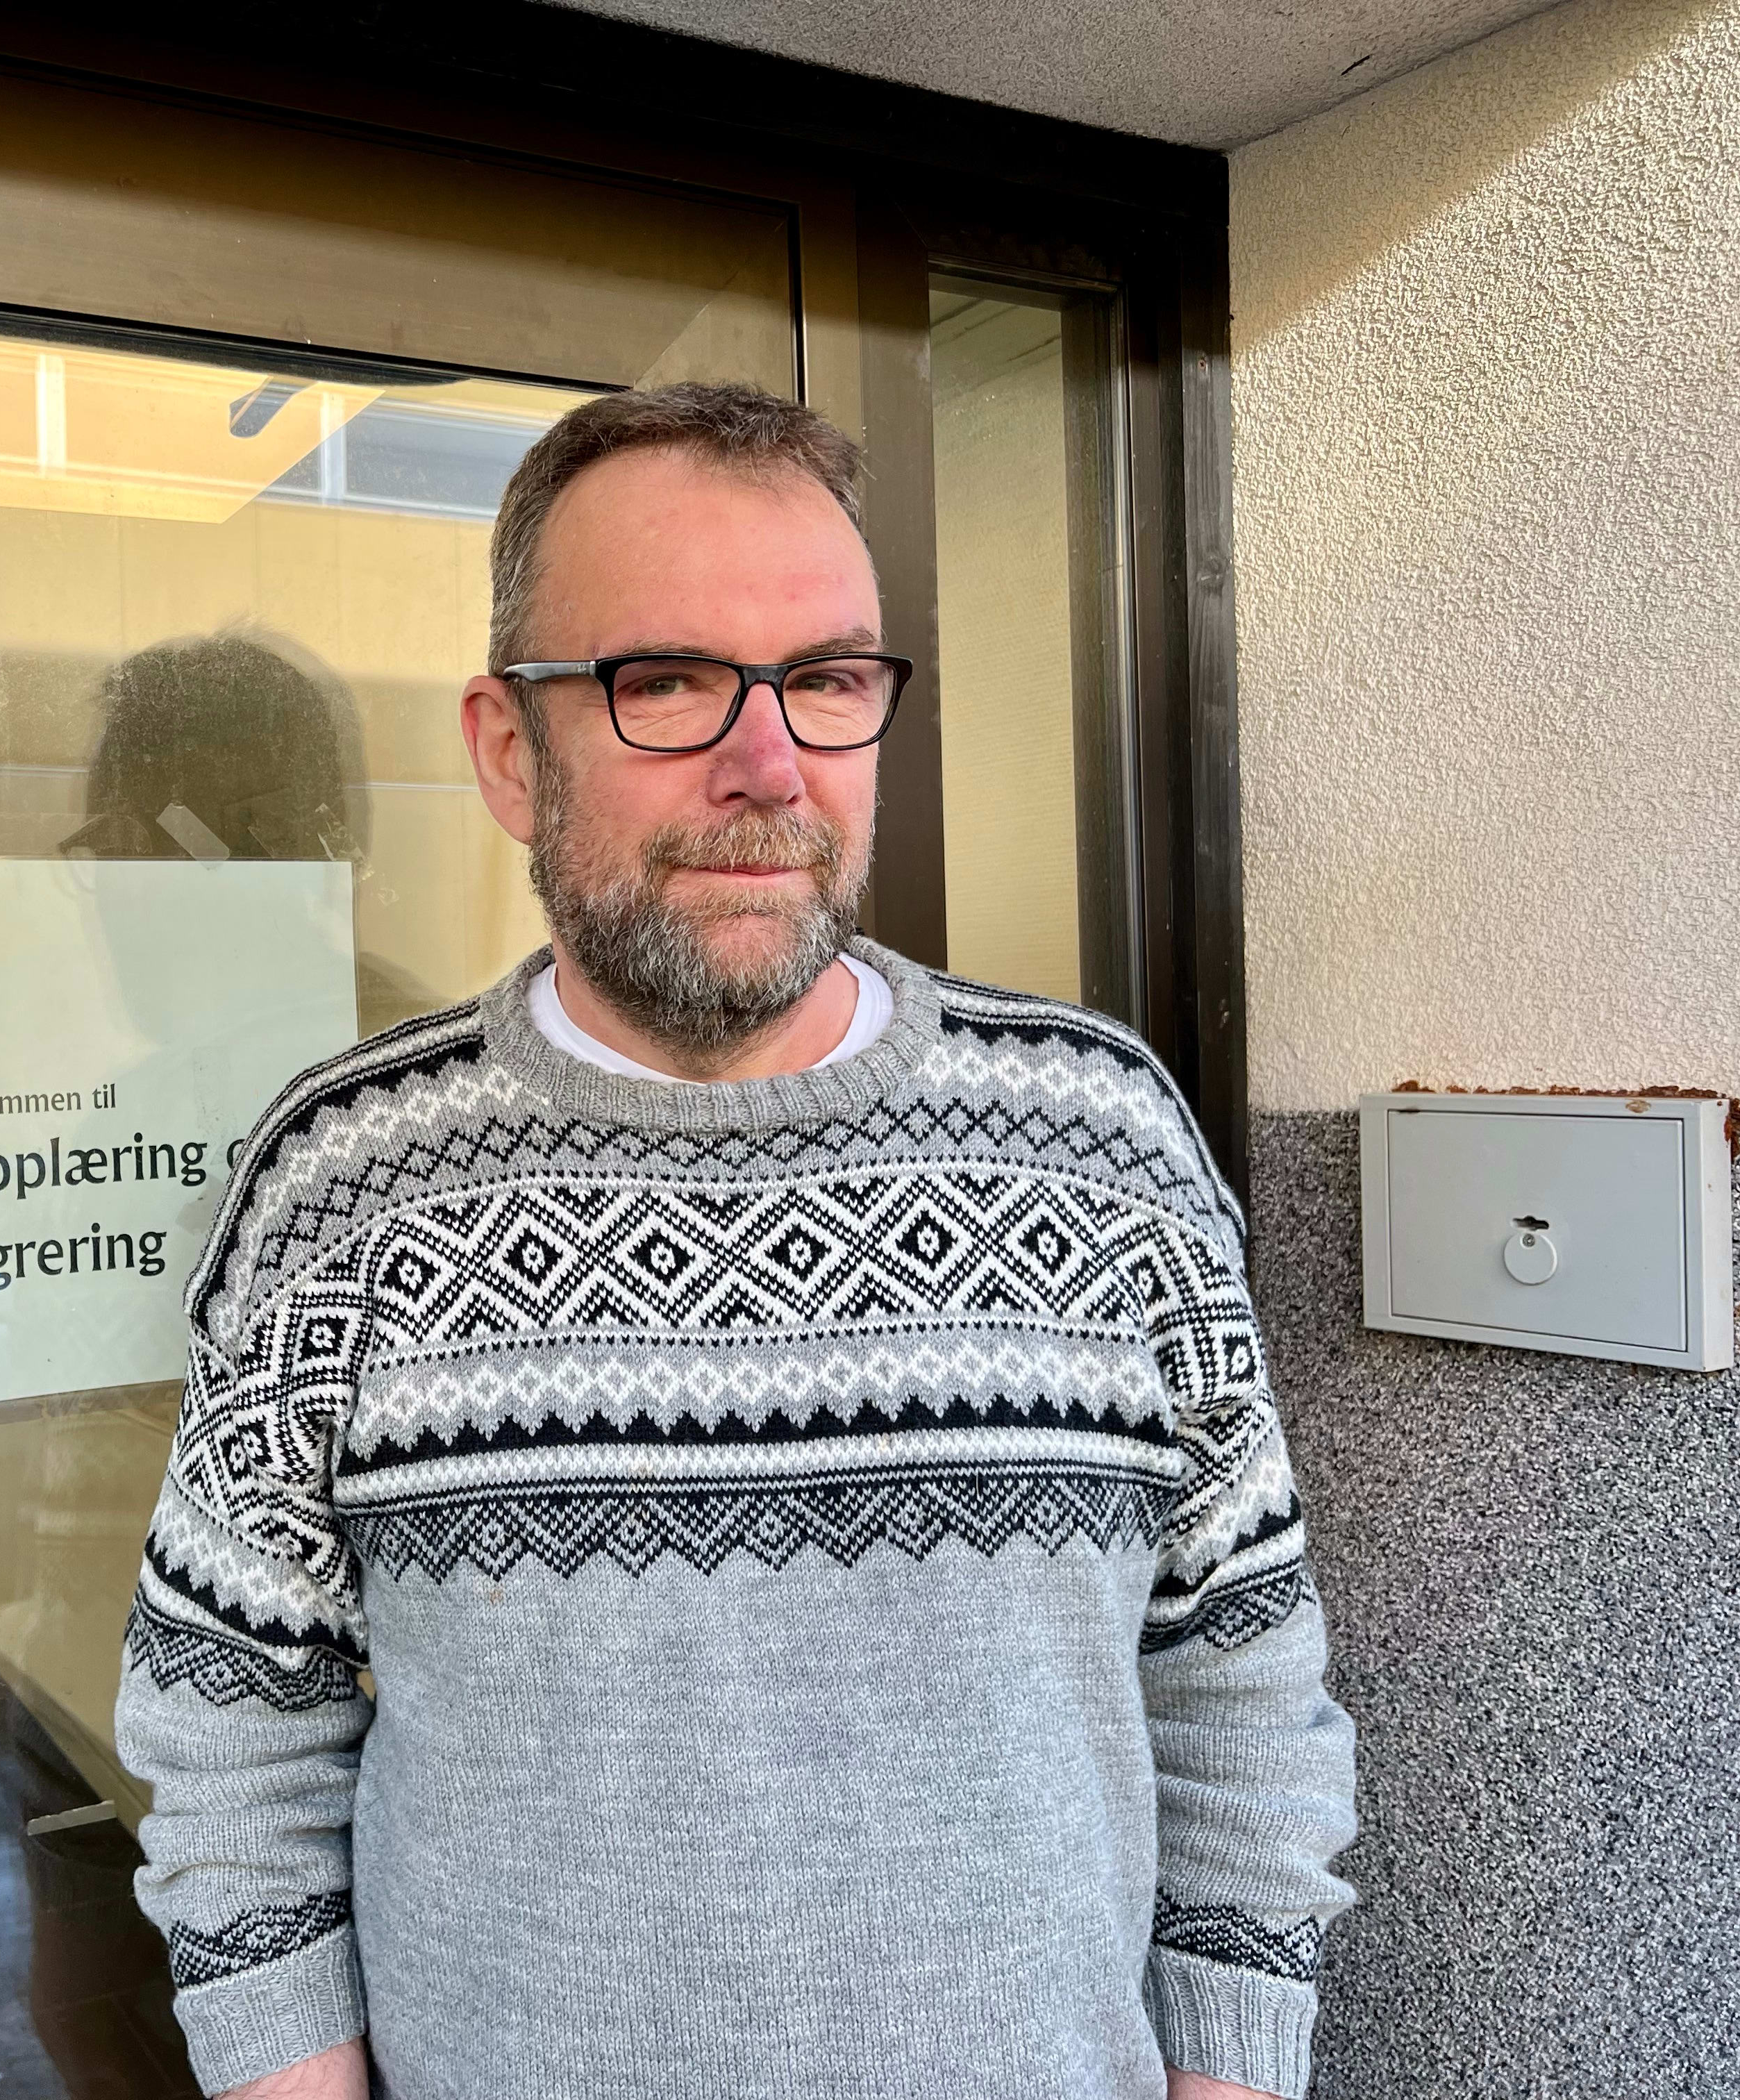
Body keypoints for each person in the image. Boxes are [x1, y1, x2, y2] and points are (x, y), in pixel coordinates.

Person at [113, 382, 1355, 2100]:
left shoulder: (1108, 1144)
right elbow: (233, 1746)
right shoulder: (342, 1187)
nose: (768, 765)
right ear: (509, 749)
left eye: (827, 681)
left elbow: (1241, 1697)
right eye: (670, 681)